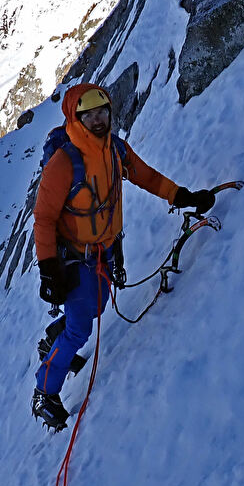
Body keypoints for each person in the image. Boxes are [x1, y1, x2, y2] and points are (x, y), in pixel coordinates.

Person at [31, 82, 216, 429]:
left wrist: (183, 196)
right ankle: (44, 391)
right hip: (73, 258)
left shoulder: (114, 150)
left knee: (98, 304)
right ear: (77, 118)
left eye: (103, 113)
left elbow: (145, 176)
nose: (99, 120)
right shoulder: (63, 163)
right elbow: (43, 218)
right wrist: (48, 270)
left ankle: (53, 340)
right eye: (91, 115)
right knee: (80, 327)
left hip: (104, 249)